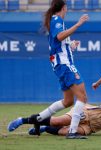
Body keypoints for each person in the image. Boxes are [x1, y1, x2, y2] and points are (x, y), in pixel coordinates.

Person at [7, 0, 89, 139]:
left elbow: (59, 43)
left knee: (68, 101)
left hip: (60, 65)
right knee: (82, 97)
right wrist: (78, 24)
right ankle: (72, 132)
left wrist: (71, 45)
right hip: (65, 65)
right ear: (64, 8)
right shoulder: (57, 20)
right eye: (66, 7)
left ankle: (27, 120)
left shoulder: (55, 21)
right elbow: (59, 36)